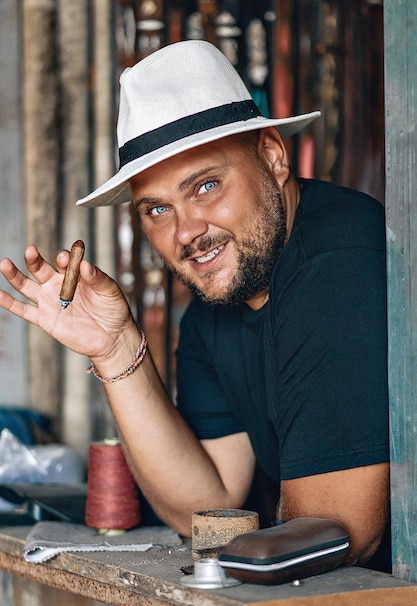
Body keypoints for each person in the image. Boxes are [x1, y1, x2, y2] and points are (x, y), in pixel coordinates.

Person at [0, 40, 390, 570]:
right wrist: (116, 350)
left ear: (272, 157)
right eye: (157, 208)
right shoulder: (216, 305)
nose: (186, 232)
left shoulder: (338, 257)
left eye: (206, 185)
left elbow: (331, 536)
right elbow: (204, 508)